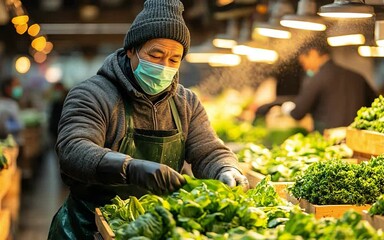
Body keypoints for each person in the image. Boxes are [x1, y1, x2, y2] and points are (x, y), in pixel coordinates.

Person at [48, 0, 249, 239]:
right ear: (132, 49)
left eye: (174, 60)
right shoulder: (93, 94)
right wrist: (129, 168)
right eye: (156, 55)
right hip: (88, 226)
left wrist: (226, 168)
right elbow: (73, 149)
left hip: (150, 227)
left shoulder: (186, 103)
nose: (164, 66)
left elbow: (208, 151)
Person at [281, 38, 377, 133]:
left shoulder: (317, 78)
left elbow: (297, 113)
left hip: (328, 139)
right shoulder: (357, 77)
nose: (305, 68)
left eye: (303, 62)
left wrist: (287, 108)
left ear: (313, 54)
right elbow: (375, 105)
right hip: (355, 139)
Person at [0, 76, 24, 143]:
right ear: (7, 89)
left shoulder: (13, 104)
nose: (19, 88)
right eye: (16, 85)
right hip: (8, 148)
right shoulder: (3, 107)